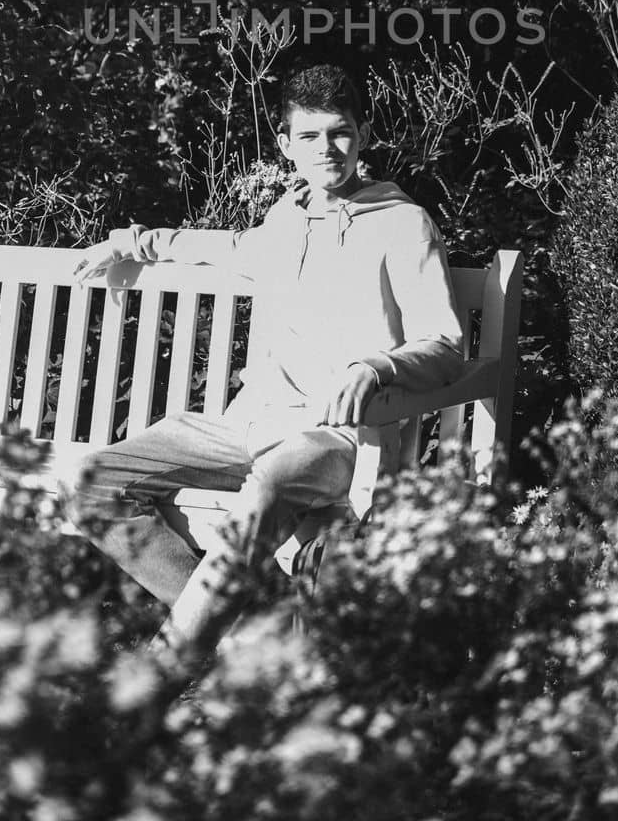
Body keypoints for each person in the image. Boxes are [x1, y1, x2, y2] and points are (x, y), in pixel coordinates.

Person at [68, 63, 464, 669]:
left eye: (340, 132)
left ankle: (161, 671)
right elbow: (224, 248)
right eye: (309, 136)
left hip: (332, 437)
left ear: (362, 135)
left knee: (271, 485)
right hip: (247, 423)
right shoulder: (286, 218)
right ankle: (251, 638)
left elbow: (445, 342)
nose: (326, 149)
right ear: (285, 145)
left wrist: (378, 367)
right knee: (93, 482)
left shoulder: (402, 224)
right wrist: (131, 241)